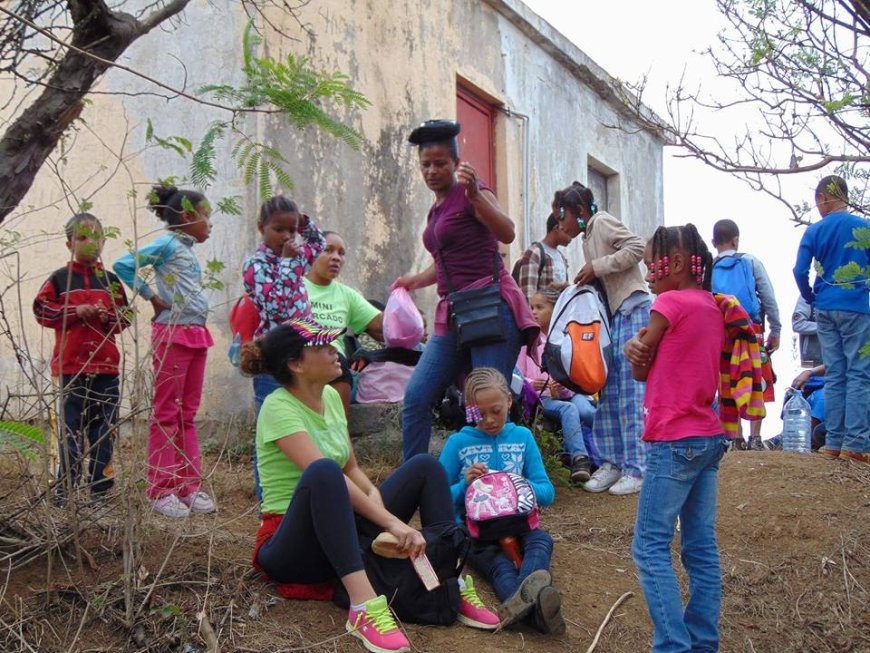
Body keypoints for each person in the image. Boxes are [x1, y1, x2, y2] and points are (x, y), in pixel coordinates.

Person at [241, 320, 498, 653]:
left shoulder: (331, 398)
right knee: (322, 472)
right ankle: (363, 607)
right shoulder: (278, 407)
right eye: (323, 348)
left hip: (341, 525)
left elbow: (350, 466)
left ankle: (448, 579)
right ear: (296, 363)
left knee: (425, 467)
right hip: (292, 545)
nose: (336, 353)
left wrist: (375, 497)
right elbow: (328, 474)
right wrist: (389, 520)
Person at [393, 119, 538, 461]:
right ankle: (416, 481)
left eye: (440, 163)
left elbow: (507, 232)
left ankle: (496, 486)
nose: (432, 171)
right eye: (425, 164)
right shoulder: (436, 208)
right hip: (455, 312)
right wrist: (415, 280)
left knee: (486, 401)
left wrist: (475, 197)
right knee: (417, 395)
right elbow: (446, 263)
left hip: (490, 307)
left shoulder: (472, 192)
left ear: (456, 163)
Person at [623, 224, 728, 653]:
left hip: (673, 440)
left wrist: (635, 348)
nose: (649, 272)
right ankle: (703, 642)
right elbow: (646, 365)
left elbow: (639, 367)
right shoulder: (711, 306)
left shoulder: (667, 302)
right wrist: (638, 351)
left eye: (653, 264)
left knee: (649, 546)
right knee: (700, 547)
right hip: (708, 437)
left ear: (679, 264)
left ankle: (672, 646)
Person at [113, 185, 216, 518]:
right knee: (167, 413)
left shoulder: (185, 249)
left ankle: (188, 486)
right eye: (207, 217)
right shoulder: (168, 244)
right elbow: (124, 264)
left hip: (196, 334)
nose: (210, 224)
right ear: (187, 216)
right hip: (173, 334)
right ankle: (160, 489)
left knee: (187, 414)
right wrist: (151, 297)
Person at [438, 368, 564, 635]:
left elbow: (547, 492)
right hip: (476, 532)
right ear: (470, 410)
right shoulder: (458, 443)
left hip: (520, 524)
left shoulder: (522, 438)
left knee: (542, 541)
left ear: (508, 400)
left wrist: (512, 485)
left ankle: (523, 607)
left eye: (496, 410)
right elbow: (438, 497)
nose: (490, 420)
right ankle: (538, 610)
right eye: (480, 414)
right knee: (499, 566)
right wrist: (465, 485)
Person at [554, 181, 649, 496]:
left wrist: (598, 266)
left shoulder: (602, 221)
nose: (561, 224)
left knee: (630, 392)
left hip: (633, 309)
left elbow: (637, 247)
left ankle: (637, 468)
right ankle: (612, 463)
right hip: (612, 318)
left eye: (563, 216)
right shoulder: (586, 238)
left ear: (580, 211)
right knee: (608, 392)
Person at [34, 213, 130, 501]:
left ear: (104, 241)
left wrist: (107, 317)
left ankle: (100, 490)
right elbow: (41, 310)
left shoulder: (111, 281)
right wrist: (74, 312)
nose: (90, 244)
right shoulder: (59, 279)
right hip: (71, 369)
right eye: (81, 238)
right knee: (69, 429)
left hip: (106, 368)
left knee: (104, 430)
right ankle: (65, 491)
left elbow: (125, 319)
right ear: (69, 244)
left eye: (96, 237)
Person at [243, 196, 325, 500]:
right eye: (279, 229)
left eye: (292, 230)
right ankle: (268, 496)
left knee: (300, 425)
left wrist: (307, 224)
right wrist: (290, 263)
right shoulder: (256, 264)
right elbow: (277, 305)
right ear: (261, 227)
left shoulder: (297, 253)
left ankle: (301, 489)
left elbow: (317, 246)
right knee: (272, 428)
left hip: (302, 356)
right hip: (273, 360)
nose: (287, 237)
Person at [793, 175, 870, 463]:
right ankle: (858, 443)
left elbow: (800, 270)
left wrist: (811, 297)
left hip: (826, 307)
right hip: (859, 306)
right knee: (860, 373)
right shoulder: (865, 228)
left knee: (836, 374)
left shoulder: (815, 230)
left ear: (825, 197)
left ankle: (833, 443)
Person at [711, 219, 781, 449]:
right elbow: (768, 297)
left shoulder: (708, 269)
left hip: (724, 333)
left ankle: (736, 438)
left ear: (714, 242)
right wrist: (776, 330)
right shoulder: (750, 261)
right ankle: (756, 438)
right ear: (735, 239)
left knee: (728, 382)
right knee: (756, 379)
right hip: (752, 331)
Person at [516, 289, 597, 483]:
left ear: (555, 310)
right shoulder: (526, 342)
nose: (533, 312)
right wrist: (531, 384)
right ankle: (580, 460)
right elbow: (517, 376)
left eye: (540, 307)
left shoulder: (565, 339)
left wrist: (563, 386)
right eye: (531, 307)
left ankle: (609, 452)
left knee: (588, 411)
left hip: (568, 393)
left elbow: (573, 377)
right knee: (569, 410)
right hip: (541, 398)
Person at [304, 231, 383, 414]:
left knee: (337, 362)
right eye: (328, 250)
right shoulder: (294, 287)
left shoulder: (347, 295)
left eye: (341, 253)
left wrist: (407, 314)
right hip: (300, 358)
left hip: (334, 365)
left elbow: (381, 325)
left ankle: (341, 432)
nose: (336, 258)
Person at [512, 214, 572, 304]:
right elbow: (528, 294)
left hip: (557, 316)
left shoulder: (561, 257)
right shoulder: (535, 253)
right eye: (568, 232)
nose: (571, 237)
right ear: (557, 228)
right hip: (540, 316)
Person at [793, 296, 823, 368]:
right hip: (813, 360)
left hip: (839, 359)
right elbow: (798, 324)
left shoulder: (846, 293)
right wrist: (827, 327)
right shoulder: (809, 294)